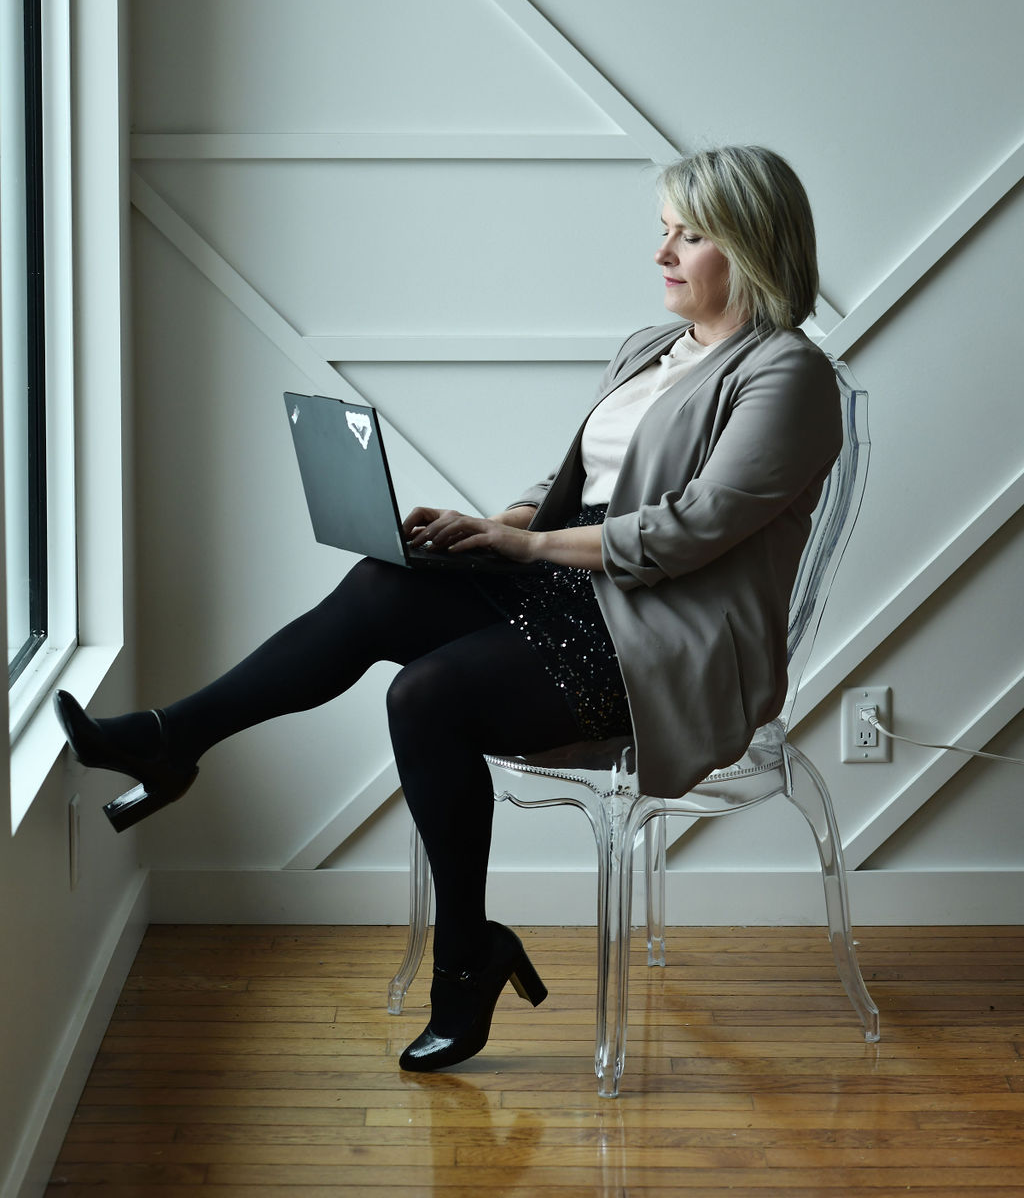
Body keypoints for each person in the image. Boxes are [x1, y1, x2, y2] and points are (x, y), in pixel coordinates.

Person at [55, 144, 841, 1074]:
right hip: (566, 586)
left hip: (656, 637)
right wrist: (495, 524)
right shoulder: (652, 349)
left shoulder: (788, 376)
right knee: (386, 583)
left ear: (752, 246)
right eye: (662, 233)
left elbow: (684, 532)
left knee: (427, 696)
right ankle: (169, 737)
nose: (663, 254)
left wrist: (527, 548)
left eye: (691, 236)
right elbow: (581, 480)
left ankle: (466, 955)